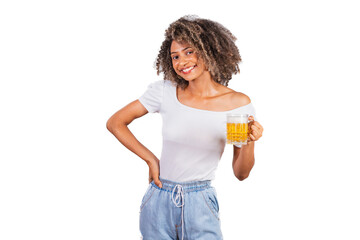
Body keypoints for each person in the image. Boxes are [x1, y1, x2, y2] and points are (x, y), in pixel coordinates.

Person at [107, 15, 264, 240]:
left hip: (200, 202)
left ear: (208, 49)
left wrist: (249, 142)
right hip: (159, 198)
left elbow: (241, 173)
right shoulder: (165, 91)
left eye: (189, 52)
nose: (182, 62)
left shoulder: (236, 105)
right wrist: (151, 160)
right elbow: (115, 122)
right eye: (175, 56)